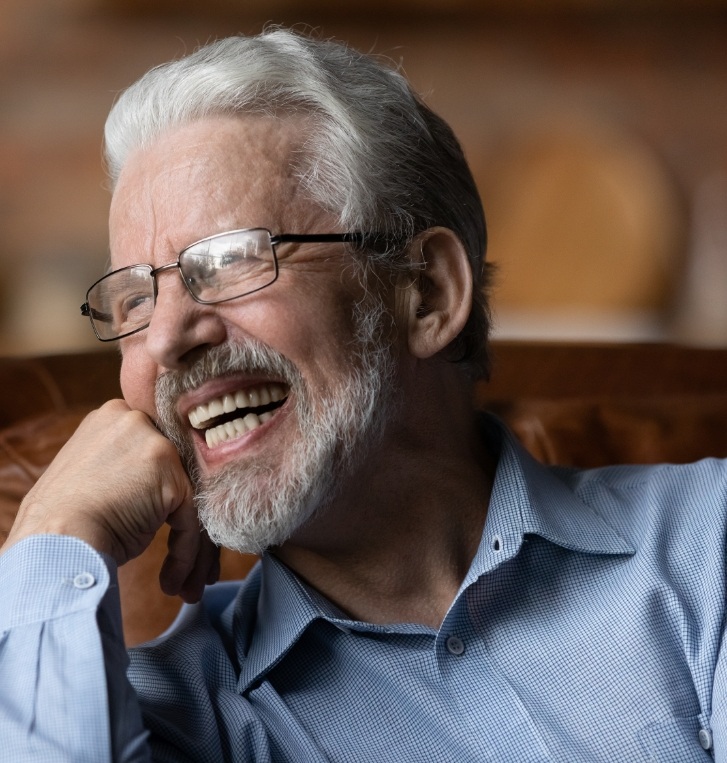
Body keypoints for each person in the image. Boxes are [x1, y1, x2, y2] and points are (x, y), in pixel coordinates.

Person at [1, 27, 726, 762]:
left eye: (227, 261)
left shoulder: (706, 544)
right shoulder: (168, 722)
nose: (164, 339)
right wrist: (54, 528)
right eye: (133, 300)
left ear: (426, 294)